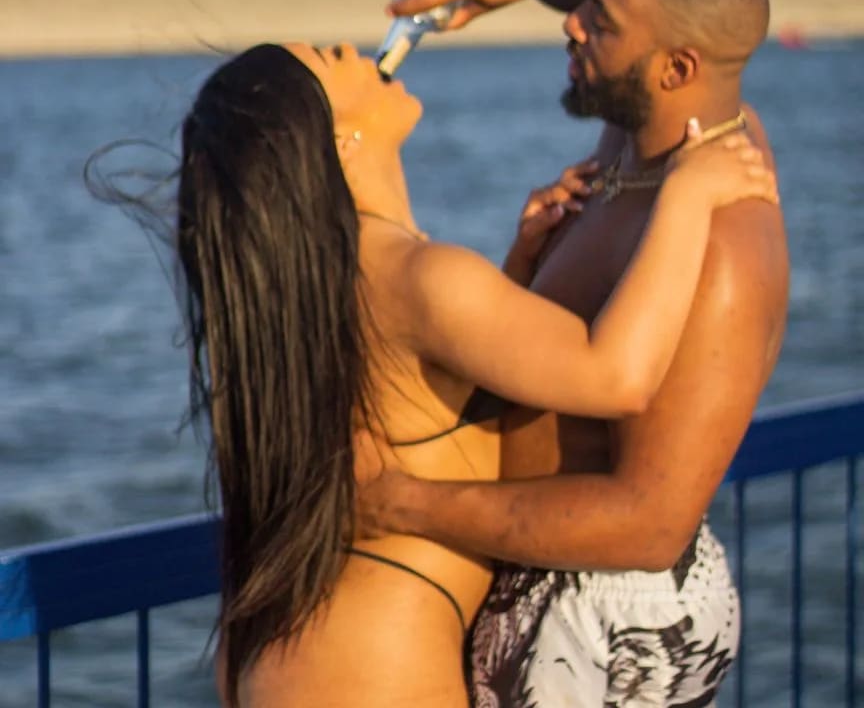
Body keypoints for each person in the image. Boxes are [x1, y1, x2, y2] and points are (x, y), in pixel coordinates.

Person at [137, 35, 777, 708]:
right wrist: (685, 197)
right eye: (331, 58)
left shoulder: (334, 279)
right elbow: (618, 376)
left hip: (301, 648)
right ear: (338, 141)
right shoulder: (415, 274)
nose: (355, 49)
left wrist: (518, 270)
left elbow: (424, 403)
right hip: (371, 663)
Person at [359, 0, 790, 706]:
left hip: (601, 622)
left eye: (601, 22)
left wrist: (405, 503)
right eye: (585, 3)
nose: (573, 23)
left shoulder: (722, 244)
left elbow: (649, 522)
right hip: (543, 582)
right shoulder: (639, 136)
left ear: (677, 67)